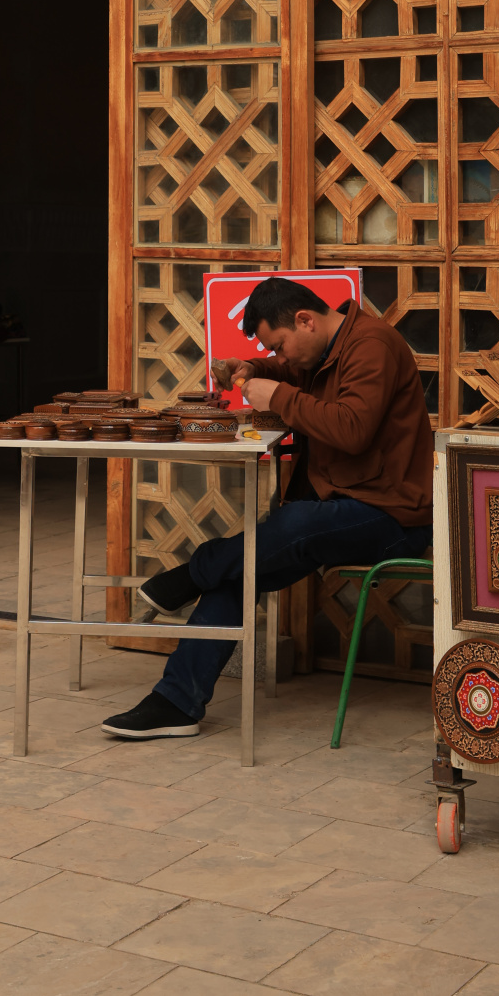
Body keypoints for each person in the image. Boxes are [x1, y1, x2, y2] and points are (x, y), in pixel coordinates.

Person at [102, 276, 432, 739]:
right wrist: (251, 366)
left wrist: (276, 396)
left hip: (394, 514)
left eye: (279, 345)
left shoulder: (371, 344)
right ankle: (175, 702)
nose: (281, 358)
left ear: (305, 320)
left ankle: (191, 573)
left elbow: (352, 428)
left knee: (291, 522)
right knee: (240, 570)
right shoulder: (324, 346)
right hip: (340, 504)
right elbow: (289, 370)